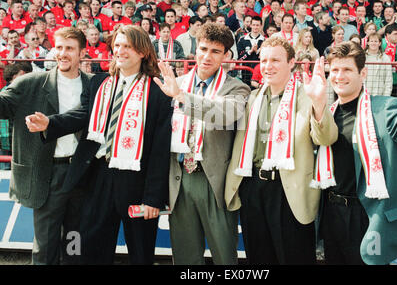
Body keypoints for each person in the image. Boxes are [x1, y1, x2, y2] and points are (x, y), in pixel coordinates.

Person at [26, 25, 172, 265]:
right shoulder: (100, 83)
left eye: (128, 46)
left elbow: (159, 148)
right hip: (98, 176)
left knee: (140, 251)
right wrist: (50, 124)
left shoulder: (157, 91)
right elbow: (82, 114)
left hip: (136, 179)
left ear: (143, 51)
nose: (120, 50)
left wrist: (153, 198)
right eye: (117, 45)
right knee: (90, 250)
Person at [312, 41, 397, 265]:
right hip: (332, 214)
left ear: (363, 73)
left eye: (347, 70)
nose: (339, 76)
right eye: (334, 70)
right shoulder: (325, 114)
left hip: (370, 216)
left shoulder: (386, 108)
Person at [224, 36, 338, 264]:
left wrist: (318, 104)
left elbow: (326, 138)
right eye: (264, 60)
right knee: (259, 259)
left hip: (289, 191)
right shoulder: (252, 98)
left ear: (291, 62)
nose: (268, 66)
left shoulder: (308, 96)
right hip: (253, 187)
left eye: (275, 60)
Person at [153, 22, 251, 265]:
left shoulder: (237, 87)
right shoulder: (177, 83)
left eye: (215, 52)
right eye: (203, 49)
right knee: (185, 257)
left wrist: (181, 97)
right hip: (179, 179)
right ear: (195, 49)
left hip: (214, 181)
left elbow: (223, 115)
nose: (207, 56)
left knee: (224, 257)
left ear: (227, 56)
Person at [0, 27, 92, 264]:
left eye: (69, 48)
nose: (63, 53)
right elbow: (4, 106)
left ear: (82, 53)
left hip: (82, 175)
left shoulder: (94, 84)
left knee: (75, 242)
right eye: (59, 47)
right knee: (46, 246)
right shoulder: (31, 82)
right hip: (49, 174)